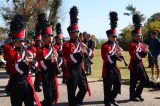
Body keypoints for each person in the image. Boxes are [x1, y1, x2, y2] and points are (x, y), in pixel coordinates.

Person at [7, 14, 41, 106]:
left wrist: (33, 61)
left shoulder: (27, 51)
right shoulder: (11, 53)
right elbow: (12, 68)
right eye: (19, 41)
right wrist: (24, 63)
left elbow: (36, 66)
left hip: (27, 82)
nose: (22, 43)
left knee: (29, 103)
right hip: (16, 83)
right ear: (14, 41)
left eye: (23, 41)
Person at [63, 6, 91, 106]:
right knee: (71, 91)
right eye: (75, 32)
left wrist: (87, 50)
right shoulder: (66, 44)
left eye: (78, 32)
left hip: (80, 68)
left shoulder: (80, 43)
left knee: (84, 88)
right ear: (70, 34)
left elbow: (87, 56)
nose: (77, 34)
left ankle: (77, 101)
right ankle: (73, 103)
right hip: (72, 70)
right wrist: (80, 53)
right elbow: (69, 58)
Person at [36, 13, 59, 106]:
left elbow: (58, 61)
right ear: (44, 38)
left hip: (53, 74)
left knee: (54, 95)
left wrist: (56, 59)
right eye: (48, 37)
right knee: (49, 96)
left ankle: (45, 102)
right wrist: (50, 60)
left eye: (51, 36)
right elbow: (41, 63)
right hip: (45, 75)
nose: (50, 38)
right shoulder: (40, 50)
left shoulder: (54, 48)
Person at [101, 11, 123, 106]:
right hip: (108, 67)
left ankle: (112, 98)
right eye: (114, 36)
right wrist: (115, 56)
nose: (115, 38)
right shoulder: (104, 46)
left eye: (116, 36)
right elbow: (106, 58)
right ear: (109, 36)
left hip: (115, 67)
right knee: (108, 86)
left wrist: (120, 56)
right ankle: (107, 101)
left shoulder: (116, 45)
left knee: (118, 84)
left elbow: (118, 58)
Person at [128, 14, 149, 102]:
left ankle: (138, 94)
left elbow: (143, 55)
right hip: (134, 64)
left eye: (140, 35)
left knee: (144, 80)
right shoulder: (131, 45)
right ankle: (132, 96)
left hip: (140, 64)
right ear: (134, 36)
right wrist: (143, 52)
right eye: (138, 35)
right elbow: (134, 54)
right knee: (133, 82)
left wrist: (146, 51)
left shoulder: (141, 44)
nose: (139, 37)